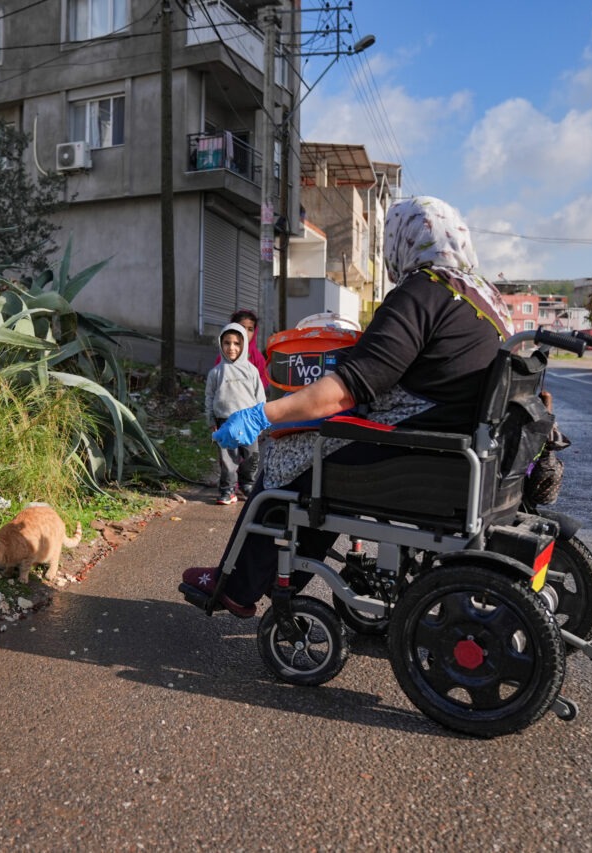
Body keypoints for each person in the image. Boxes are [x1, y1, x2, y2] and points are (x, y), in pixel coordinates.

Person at [182, 196, 515, 617]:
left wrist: (263, 415)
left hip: (418, 449)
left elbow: (348, 387)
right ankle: (270, 574)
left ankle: (236, 585)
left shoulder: (424, 292)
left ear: (404, 239)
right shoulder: (485, 298)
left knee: (288, 455)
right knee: (317, 460)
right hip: (457, 446)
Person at [205, 322, 266, 505]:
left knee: (250, 456)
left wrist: (260, 421)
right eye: (227, 343)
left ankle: (247, 485)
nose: (231, 348)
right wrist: (210, 419)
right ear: (221, 344)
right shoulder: (216, 372)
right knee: (227, 458)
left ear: (244, 345)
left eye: (237, 343)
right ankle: (227, 489)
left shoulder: (251, 371)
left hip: (248, 422)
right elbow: (209, 396)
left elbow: (260, 397)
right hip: (225, 421)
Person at [214, 308, 271, 390]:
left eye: (250, 329)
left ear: (255, 332)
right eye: (241, 327)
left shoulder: (257, 357)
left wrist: (253, 388)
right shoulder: (225, 355)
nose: (245, 332)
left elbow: (264, 377)